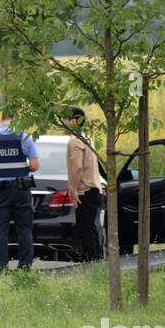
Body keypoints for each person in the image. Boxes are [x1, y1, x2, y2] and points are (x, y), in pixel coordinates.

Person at [0, 107, 39, 271]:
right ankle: (25, 266)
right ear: (17, 120)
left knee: (0, 230)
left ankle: (1, 268)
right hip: (21, 189)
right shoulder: (25, 137)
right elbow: (35, 165)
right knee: (24, 229)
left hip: (0, 190)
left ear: (2, 119)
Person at [66, 107, 105, 261]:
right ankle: (98, 260)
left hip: (85, 190)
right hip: (94, 189)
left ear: (74, 121)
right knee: (91, 228)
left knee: (85, 229)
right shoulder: (86, 137)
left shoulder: (75, 141)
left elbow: (78, 166)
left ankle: (92, 262)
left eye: (65, 119)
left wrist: (74, 189)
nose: (62, 122)